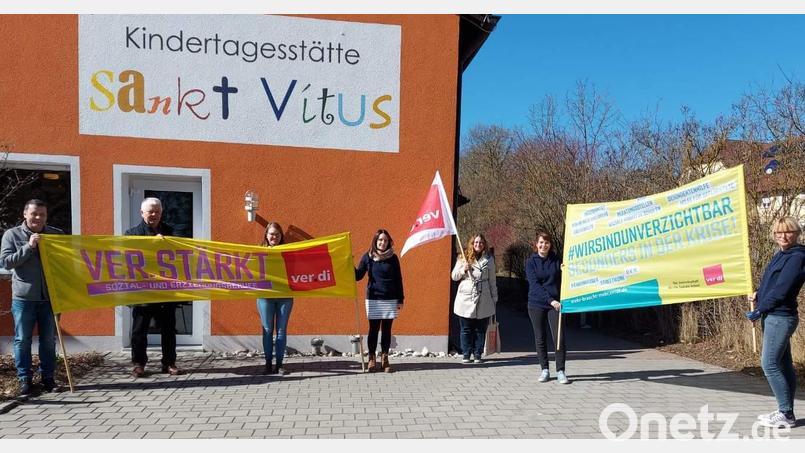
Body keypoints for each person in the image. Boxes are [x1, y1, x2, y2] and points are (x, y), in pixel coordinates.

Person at [745, 216, 804, 428]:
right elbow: (771, 283)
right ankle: (785, 410)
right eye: (778, 232)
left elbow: (782, 289)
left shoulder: (796, 257)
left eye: (787, 232)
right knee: (783, 364)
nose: (782, 236)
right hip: (773, 315)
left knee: (769, 364)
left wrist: (760, 309)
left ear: (796, 233)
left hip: (780, 317)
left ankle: (786, 413)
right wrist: (758, 294)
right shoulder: (781, 255)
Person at [1, 199, 63, 396]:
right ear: (25, 214)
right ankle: (25, 381)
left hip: (50, 298)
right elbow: (6, 262)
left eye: (42, 214)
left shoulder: (56, 235)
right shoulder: (12, 235)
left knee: (48, 341)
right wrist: (28, 246)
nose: (38, 218)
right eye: (34, 213)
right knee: (22, 340)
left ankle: (48, 379)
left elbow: (66, 262)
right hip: (24, 298)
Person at [126, 197, 181, 377]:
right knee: (139, 331)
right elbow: (129, 258)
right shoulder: (131, 234)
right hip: (142, 291)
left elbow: (181, 257)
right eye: (150, 211)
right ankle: (139, 364)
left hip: (165, 290)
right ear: (142, 213)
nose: (154, 214)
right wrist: (152, 242)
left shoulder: (171, 233)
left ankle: (169, 363)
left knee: (168, 330)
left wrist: (167, 243)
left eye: (157, 211)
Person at [355, 229, 404, 373]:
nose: (383, 243)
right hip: (374, 298)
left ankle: (385, 359)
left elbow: (398, 279)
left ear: (389, 242)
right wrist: (347, 264)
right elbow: (358, 276)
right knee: (373, 329)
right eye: (380, 240)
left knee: (387, 330)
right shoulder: (368, 257)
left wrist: (401, 298)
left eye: (385, 240)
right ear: (375, 241)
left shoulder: (393, 258)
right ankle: (371, 359)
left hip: (390, 299)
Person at [525, 231, 569, 384]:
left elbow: (563, 280)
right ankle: (544, 369)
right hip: (537, 303)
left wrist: (566, 270)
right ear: (536, 244)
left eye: (547, 243)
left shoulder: (556, 260)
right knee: (540, 337)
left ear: (550, 245)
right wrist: (551, 300)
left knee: (559, 337)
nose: (544, 245)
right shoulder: (531, 262)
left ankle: (561, 370)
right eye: (541, 242)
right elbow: (535, 285)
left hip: (555, 304)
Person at [451, 234, 498, 364]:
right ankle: (466, 354)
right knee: (466, 328)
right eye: (476, 242)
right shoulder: (463, 257)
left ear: (484, 244)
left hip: (484, 295)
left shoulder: (489, 259)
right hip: (466, 296)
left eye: (481, 242)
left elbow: (492, 280)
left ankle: (478, 353)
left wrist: (494, 297)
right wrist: (462, 270)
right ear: (472, 243)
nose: (478, 244)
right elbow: (454, 276)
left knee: (480, 328)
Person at [256, 222, 294, 375]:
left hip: (284, 296)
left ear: (281, 236)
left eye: (277, 234)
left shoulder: (288, 251)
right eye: (272, 234)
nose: (274, 237)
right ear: (266, 234)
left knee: (281, 330)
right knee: (267, 329)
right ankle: (267, 363)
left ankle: (279, 364)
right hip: (265, 296)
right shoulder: (258, 251)